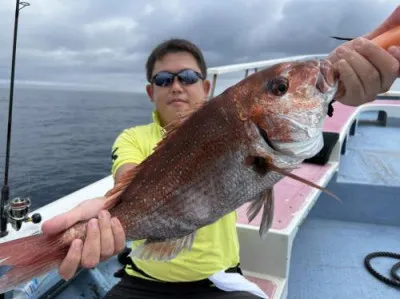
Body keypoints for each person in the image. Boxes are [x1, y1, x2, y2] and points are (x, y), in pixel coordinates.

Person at [41, 5, 400, 298]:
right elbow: (127, 176)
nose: (177, 87)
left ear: (207, 86)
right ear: (151, 92)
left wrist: (337, 87)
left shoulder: (238, 127)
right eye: (164, 80)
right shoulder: (133, 137)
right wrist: (107, 214)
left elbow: (296, 125)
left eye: (188, 77)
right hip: (141, 280)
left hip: (221, 281)